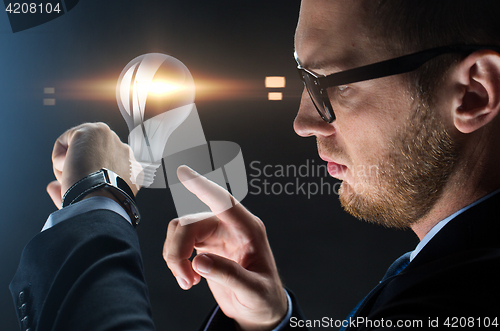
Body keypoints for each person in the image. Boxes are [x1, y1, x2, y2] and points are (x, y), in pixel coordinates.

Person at [10, 0, 500, 330]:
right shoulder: (451, 268)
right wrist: (266, 323)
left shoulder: (466, 297)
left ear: (473, 91)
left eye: (332, 84)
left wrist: (95, 204)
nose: (303, 122)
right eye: (304, 81)